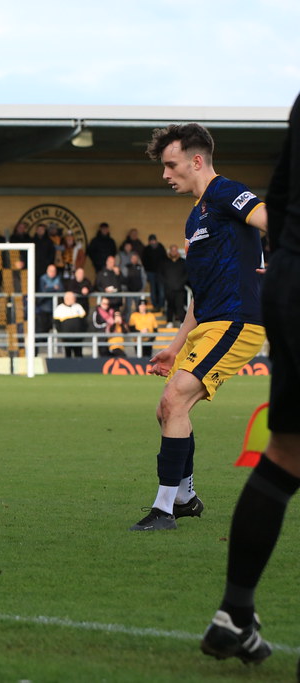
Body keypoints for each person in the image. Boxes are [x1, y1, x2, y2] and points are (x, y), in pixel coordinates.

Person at [199, 90, 300, 666]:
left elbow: (278, 200)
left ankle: (234, 610)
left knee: (286, 452)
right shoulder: (211, 200)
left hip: (285, 282)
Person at [130, 122, 267, 532]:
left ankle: (164, 510)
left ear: (195, 160)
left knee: (175, 400)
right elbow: (199, 294)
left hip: (238, 320)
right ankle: (186, 496)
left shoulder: (225, 192)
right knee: (167, 408)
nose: (165, 174)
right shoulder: (196, 218)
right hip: (209, 322)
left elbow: (268, 218)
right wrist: (174, 346)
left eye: (170, 165)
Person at [53, 291, 87, 358]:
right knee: (68, 354)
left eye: (74, 298)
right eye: (72, 298)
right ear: (66, 299)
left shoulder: (78, 306)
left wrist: (83, 332)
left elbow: (84, 321)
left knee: (79, 354)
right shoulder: (59, 309)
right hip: (66, 337)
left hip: (78, 337)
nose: (74, 299)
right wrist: (62, 335)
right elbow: (57, 324)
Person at [162, 244, 189, 324]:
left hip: (180, 289)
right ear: (170, 251)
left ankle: (182, 323)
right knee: (169, 306)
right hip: (169, 289)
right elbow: (160, 275)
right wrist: (166, 283)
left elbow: (187, 274)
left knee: (180, 306)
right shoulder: (165, 262)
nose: (174, 252)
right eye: (172, 250)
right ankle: (169, 321)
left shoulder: (183, 262)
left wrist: (181, 283)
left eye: (175, 250)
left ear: (177, 251)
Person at [141, 233, 168, 311]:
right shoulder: (146, 249)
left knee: (161, 290)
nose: (152, 242)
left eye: (153, 240)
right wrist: (147, 270)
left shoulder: (161, 248)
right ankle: (155, 306)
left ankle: (161, 306)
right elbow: (144, 261)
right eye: (151, 241)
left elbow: (165, 260)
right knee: (153, 290)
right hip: (151, 272)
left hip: (160, 273)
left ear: (156, 240)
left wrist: (163, 271)